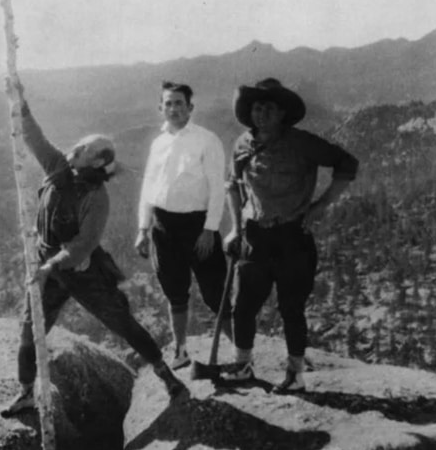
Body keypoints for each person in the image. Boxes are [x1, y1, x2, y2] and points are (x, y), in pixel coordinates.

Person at [1, 79, 187, 417]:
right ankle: (26, 391)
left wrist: (49, 267)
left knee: (120, 320)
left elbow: (81, 247)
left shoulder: (96, 198)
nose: (77, 148)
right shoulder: (59, 168)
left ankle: (166, 376)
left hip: (80, 269)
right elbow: (34, 138)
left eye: (85, 148)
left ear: (96, 161)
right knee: (31, 329)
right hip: (49, 264)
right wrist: (21, 102)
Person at [223, 78, 359, 393]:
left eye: (270, 108)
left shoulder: (302, 143)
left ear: (283, 112)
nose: (262, 114)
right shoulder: (242, 144)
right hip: (254, 235)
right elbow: (232, 185)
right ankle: (242, 365)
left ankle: (295, 375)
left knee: (291, 308)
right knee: (243, 305)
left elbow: (347, 164)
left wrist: (320, 206)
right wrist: (234, 227)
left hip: (292, 237)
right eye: (257, 107)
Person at [135, 81, 230, 369]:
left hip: (197, 225)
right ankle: (180, 349)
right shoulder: (158, 142)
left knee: (216, 293)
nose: (174, 108)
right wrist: (143, 228)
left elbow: (217, 187)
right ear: (160, 108)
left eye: (179, 103)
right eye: (168, 103)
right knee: (174, 291)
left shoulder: (206, 139)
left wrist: (210, 229)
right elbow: (149, 186)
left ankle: (240, 354)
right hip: (163, 226)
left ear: (190, 107)